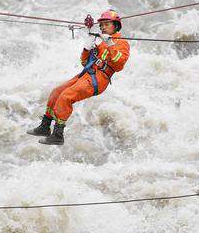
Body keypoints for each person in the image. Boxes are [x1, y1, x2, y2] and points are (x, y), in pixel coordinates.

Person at [27, 9, 131, 145]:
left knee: (66, 97)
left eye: (107, 24)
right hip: (87, 74)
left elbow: (119, 64)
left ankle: (58, 135)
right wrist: (87, 48)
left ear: (115, 25)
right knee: (56, 92)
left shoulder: (122, 43)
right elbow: (84, 62)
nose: (103, 27)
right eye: (102, 25)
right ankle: (45, 126)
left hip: (99, 79)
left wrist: (110, 45)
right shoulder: (102, 42)